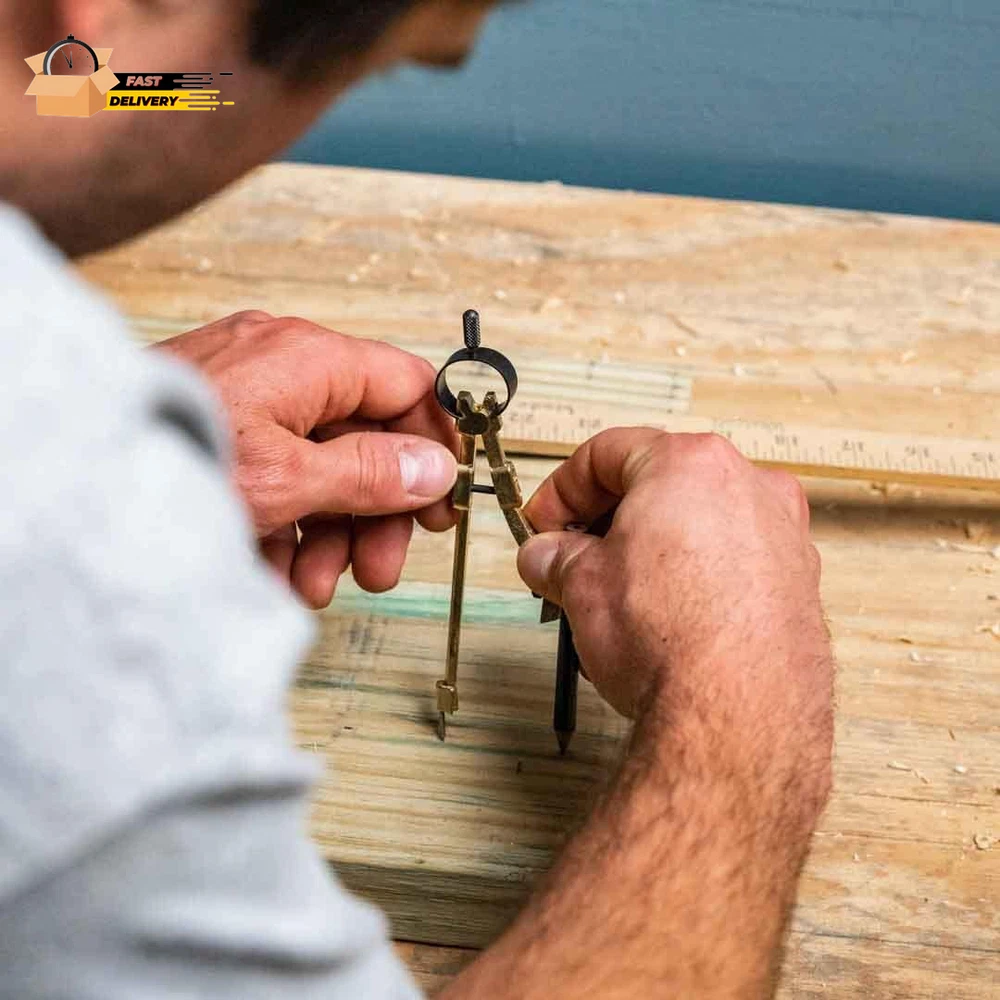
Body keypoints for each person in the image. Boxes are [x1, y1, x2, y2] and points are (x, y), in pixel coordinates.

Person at [0, 1, 834, 997]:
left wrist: (92, 422)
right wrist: (739, 707)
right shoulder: (57, 540)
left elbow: (83, 84)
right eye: (381, 65)